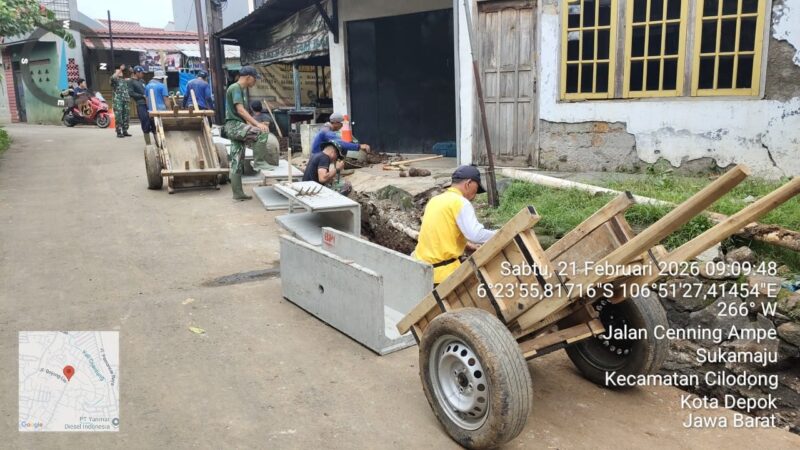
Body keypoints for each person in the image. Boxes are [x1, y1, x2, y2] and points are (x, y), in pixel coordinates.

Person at [414, 166, 497, 284]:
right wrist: (500, 233)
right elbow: (476, 235)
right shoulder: (461, 202)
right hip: (443, 274)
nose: (475, 196)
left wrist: (467, 246)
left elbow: (440, 232)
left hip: (422, 271)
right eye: (476, 189)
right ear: (468, 183)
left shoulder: (435, 200)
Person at [223, 66, 272, 201]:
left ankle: (237, 193)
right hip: (233, 126)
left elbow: (243, 115)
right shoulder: (235, 88)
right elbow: (240, 111)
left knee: (236, 161)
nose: (255, 82)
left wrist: (250, 125)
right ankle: (259, 162)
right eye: (255, 79)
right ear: (249, 77)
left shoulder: (240, 90)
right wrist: (257, 124)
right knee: (261, 133)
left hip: (236, 126)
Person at [249, 100, 280, 170]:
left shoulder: (252, 120)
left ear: (252, 108)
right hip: (272, 140)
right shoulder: (268, 117)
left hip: (262, 141)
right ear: (261, 107)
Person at [128, 66, 153, 144]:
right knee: (145, 122)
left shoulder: (142, 81)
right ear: (137, 73)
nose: (143, 75)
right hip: (141, 104)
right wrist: (142, 96)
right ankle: (148, 144)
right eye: (142, 73)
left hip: (148, 104)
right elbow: (131, 93)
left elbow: (146, 90)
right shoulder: (131, 82)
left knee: (153, 122)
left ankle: (158, 142)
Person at [110, 64, 131, 138]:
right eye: (118, 71)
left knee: (126, 116)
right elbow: (113, 77)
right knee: (119, 116)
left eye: (120, 71)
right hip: (118, 101)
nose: (120, 72)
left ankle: (125, 131)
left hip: (125, 100)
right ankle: (119, 132)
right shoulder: (114, 80)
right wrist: (120, 69)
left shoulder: (124, 80)